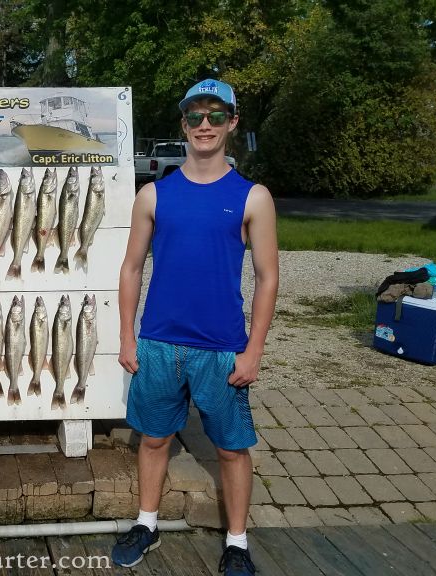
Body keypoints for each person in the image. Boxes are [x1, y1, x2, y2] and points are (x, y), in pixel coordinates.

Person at [112, 79, 279, 575]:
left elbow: (269, 279)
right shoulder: (154, 194)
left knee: (231, 448)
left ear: (232, 123)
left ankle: (238, 541)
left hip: (222, 348)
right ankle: (146, 522)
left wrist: (253, 351)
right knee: (155, 439)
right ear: (183, 125)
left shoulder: (253, 196)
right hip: (160, 343)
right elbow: (131, 268)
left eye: (215, 115)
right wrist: (127, 335)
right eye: (194, 117)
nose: (204, 125)